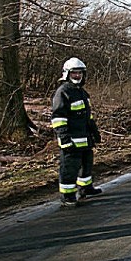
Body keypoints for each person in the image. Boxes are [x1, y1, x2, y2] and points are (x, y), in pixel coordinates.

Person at [51, 57, 102, 207]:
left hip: (85, 138)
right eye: (74, 73)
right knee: (69, 168)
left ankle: (85, 188)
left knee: (86, 164)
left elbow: (88, 116)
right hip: (71, 139)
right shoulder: (63, 92)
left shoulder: (81, 92)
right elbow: (58, 118)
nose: (77, 76)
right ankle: (67, 196)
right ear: (67, 74)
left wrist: (94, 132)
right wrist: (65, 138)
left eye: (79, 73)